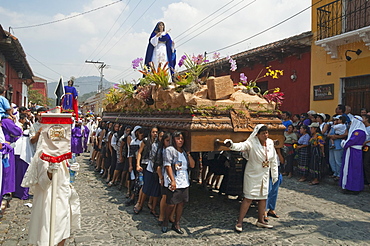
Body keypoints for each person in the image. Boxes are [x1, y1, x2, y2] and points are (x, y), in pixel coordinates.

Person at [224, 124, 279, 232]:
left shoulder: (270, 143)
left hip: (264, 174)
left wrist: (274, 173)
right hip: (253, 174)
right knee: (248, 198)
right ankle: (239, 221)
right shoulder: (251, 143)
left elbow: (273, 159)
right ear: (257, 134)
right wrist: (231, 144)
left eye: (267, 133)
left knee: (263, 197)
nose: (266, 135)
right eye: (263, 133)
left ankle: (261, 220)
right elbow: (241, 146)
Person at [162, 131, 195, 234]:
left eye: (181, 139)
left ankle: (177, 223)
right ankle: (165, 221)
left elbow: (192, 165)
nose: (180, 140)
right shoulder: (170, 150)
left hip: (184, 180)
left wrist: (189, 154)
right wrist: (172, 180)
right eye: (178, 138)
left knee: (181, 203)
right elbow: (167, 166)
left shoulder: (184, 152)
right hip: (174, 179)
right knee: (171, 203)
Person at [133, 127, 161, 216]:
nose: (155, 134)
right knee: (144, 184)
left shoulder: (158, 143)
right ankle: (139, 203)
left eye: (156, 132)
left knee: (153, 185)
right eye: (153, 132)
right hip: (145, 163)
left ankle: (150, 203)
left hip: (153, 165)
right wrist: (138, 164)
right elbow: (140, 152)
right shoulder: (146, 141)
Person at [340, 115, 367, 193]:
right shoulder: (362, 131)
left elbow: (351, 142)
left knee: (352, 169)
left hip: (353, 152)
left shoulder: (358, 132)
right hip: (355, 152)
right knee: (355, 169)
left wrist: (343, 143)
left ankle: (352, 187)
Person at [327, 116, 346, 181]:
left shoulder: (342, 126)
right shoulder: (333, 127)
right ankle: (334, 172)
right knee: (331, 160)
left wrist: (335, 136)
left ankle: (339, 174)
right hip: (332, 144)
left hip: (338, 144)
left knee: (338, 160)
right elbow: (329, 134)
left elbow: (344, 134)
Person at [362, 115, 370, 187]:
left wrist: (366, 142)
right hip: (363, 147)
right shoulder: (364, 127)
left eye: (363, 118)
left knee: (366, 163)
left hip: (368, 147)